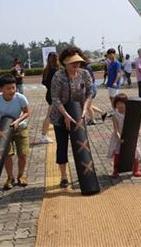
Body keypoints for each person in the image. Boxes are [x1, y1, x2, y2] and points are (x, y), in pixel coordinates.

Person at [50, 46, 92, 188]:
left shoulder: (84, 74)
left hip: (78, 114)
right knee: (62, 146)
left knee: (81, 144)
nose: (76, 65)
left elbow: (89, 94)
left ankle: (85, 174)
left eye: (78, 62)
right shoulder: (58, 76)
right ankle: (63, 176)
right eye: (72, 62)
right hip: (60, 116)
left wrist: (85, 109)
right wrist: (66, 116)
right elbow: (55, 98)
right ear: (65, 63)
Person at [0, 74, 30, 190]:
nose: (12, 91)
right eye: (8, 88)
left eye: (13, 87)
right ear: (0, 89)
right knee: (7, 155)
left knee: (22, 154)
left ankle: (21, 176)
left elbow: (27, 112)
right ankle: (10, 177)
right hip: (5, 129)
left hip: (20, 128)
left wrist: (18, 121)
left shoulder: (20, 98)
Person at [107, 93, 141, 178]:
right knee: (117, 153)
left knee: (134, 151)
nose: (120, 105)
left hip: (130, 136)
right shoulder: (115, 115)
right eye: (118, 103)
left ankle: (136, 169)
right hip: (119, 137)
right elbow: (116, 130)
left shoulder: (131, 113)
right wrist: (119, 137)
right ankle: (115, 170)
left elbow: (136, 125)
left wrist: (136, 133)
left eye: (122, 103)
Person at [40, 52, 59, 143]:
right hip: (55, 95)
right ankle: (43, 135)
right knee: (49, 116)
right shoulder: (56, 70)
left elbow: (43, 82)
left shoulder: (46, 70)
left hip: (49, 94)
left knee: (55, 115)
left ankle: (45, 135)